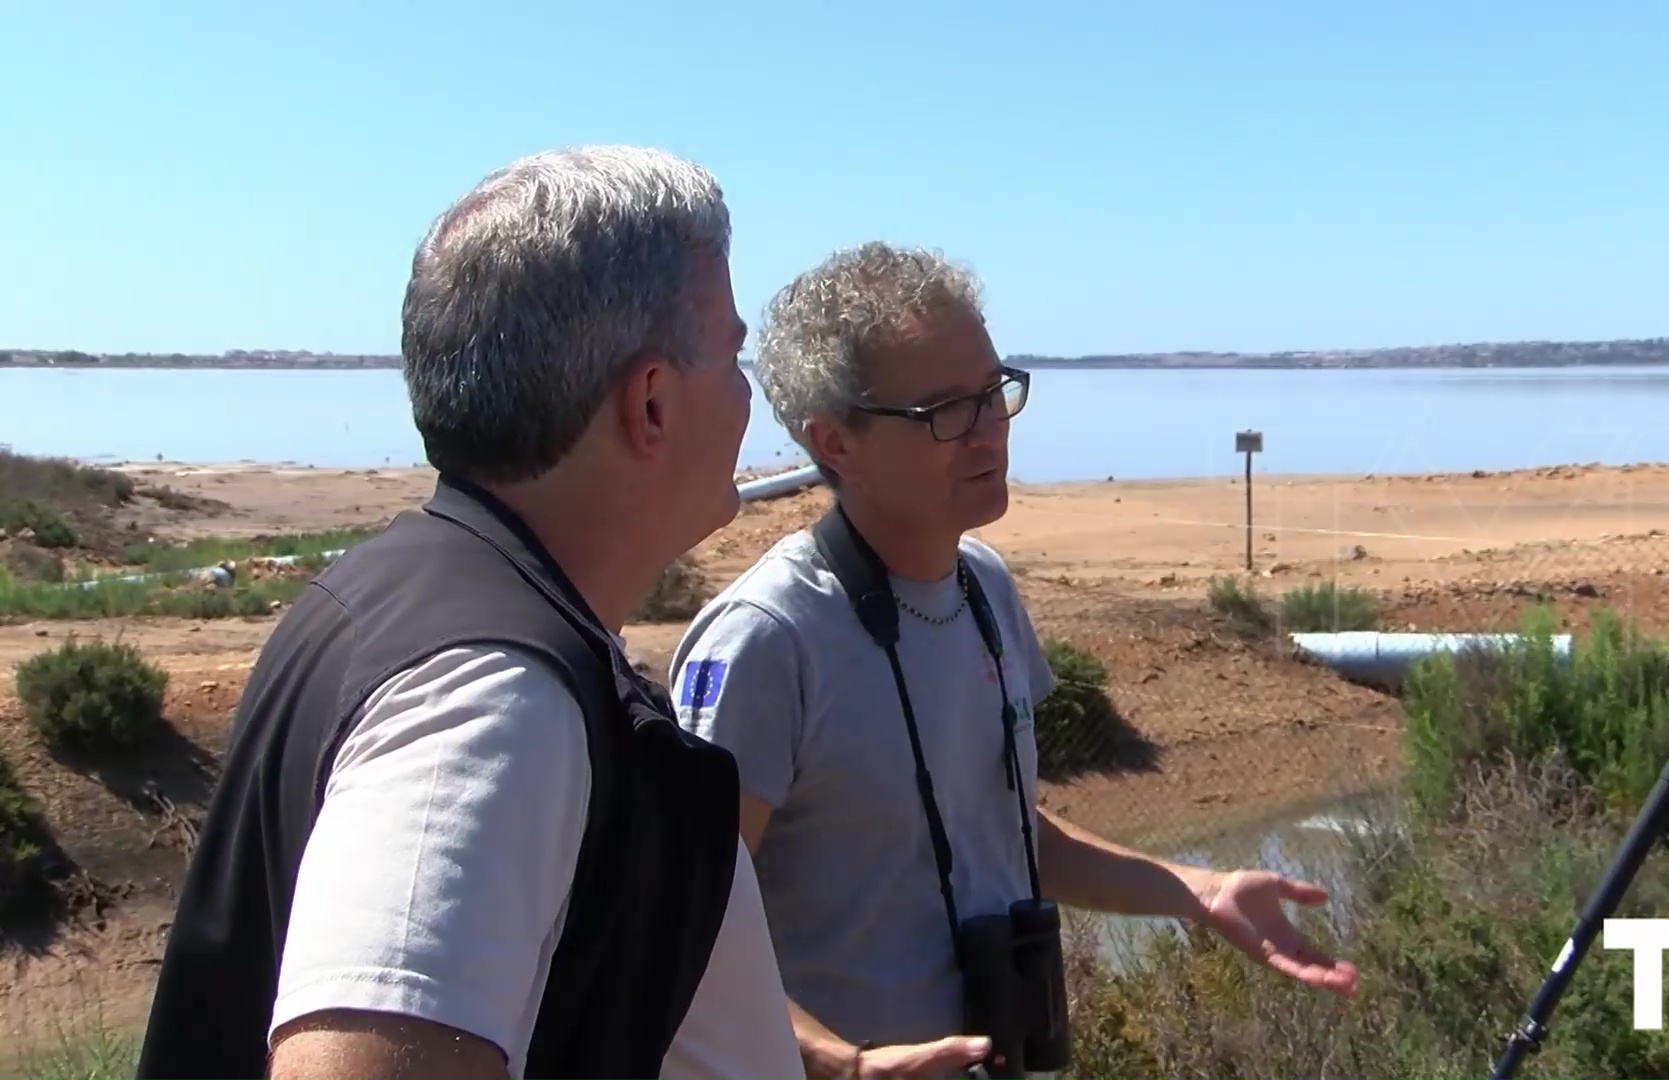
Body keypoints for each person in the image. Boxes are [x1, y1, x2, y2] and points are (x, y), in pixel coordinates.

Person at [135, 146, 803, 1080]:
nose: (749, 394)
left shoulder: (404, 596)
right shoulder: (490, 704)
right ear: (650, 403)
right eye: (734, 353)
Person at [668, 241, 1359, 1080]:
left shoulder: (986, 589)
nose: (988, 430)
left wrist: (1199, 892)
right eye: (944, 412)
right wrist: (840, 1065)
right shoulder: (767, 639)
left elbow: (1009, 833)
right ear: (834, 442)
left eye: (994, 394)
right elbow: (680, 927)